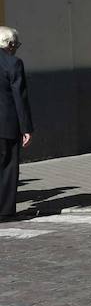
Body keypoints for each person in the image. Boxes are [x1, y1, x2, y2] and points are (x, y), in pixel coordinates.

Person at [0, 27, 33, 220]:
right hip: (7, 123)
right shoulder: (13, 63)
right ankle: (4, 210)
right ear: (10, 45)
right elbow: (19, 97)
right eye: (16, 45)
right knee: (8, 167)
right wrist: (26, 127)